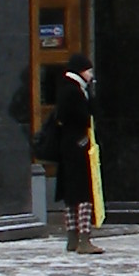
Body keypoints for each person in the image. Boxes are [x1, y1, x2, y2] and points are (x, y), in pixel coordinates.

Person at [51, 57, 101, 253]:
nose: (91, 75)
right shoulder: (75, 91)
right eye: (88, 71)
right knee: (84, 193)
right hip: (78, 147)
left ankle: (72, 238)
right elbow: (86, 116)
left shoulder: (66, 88)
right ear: (80, 71)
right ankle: (84, 239)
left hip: (69, 147)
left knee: (72, 194)